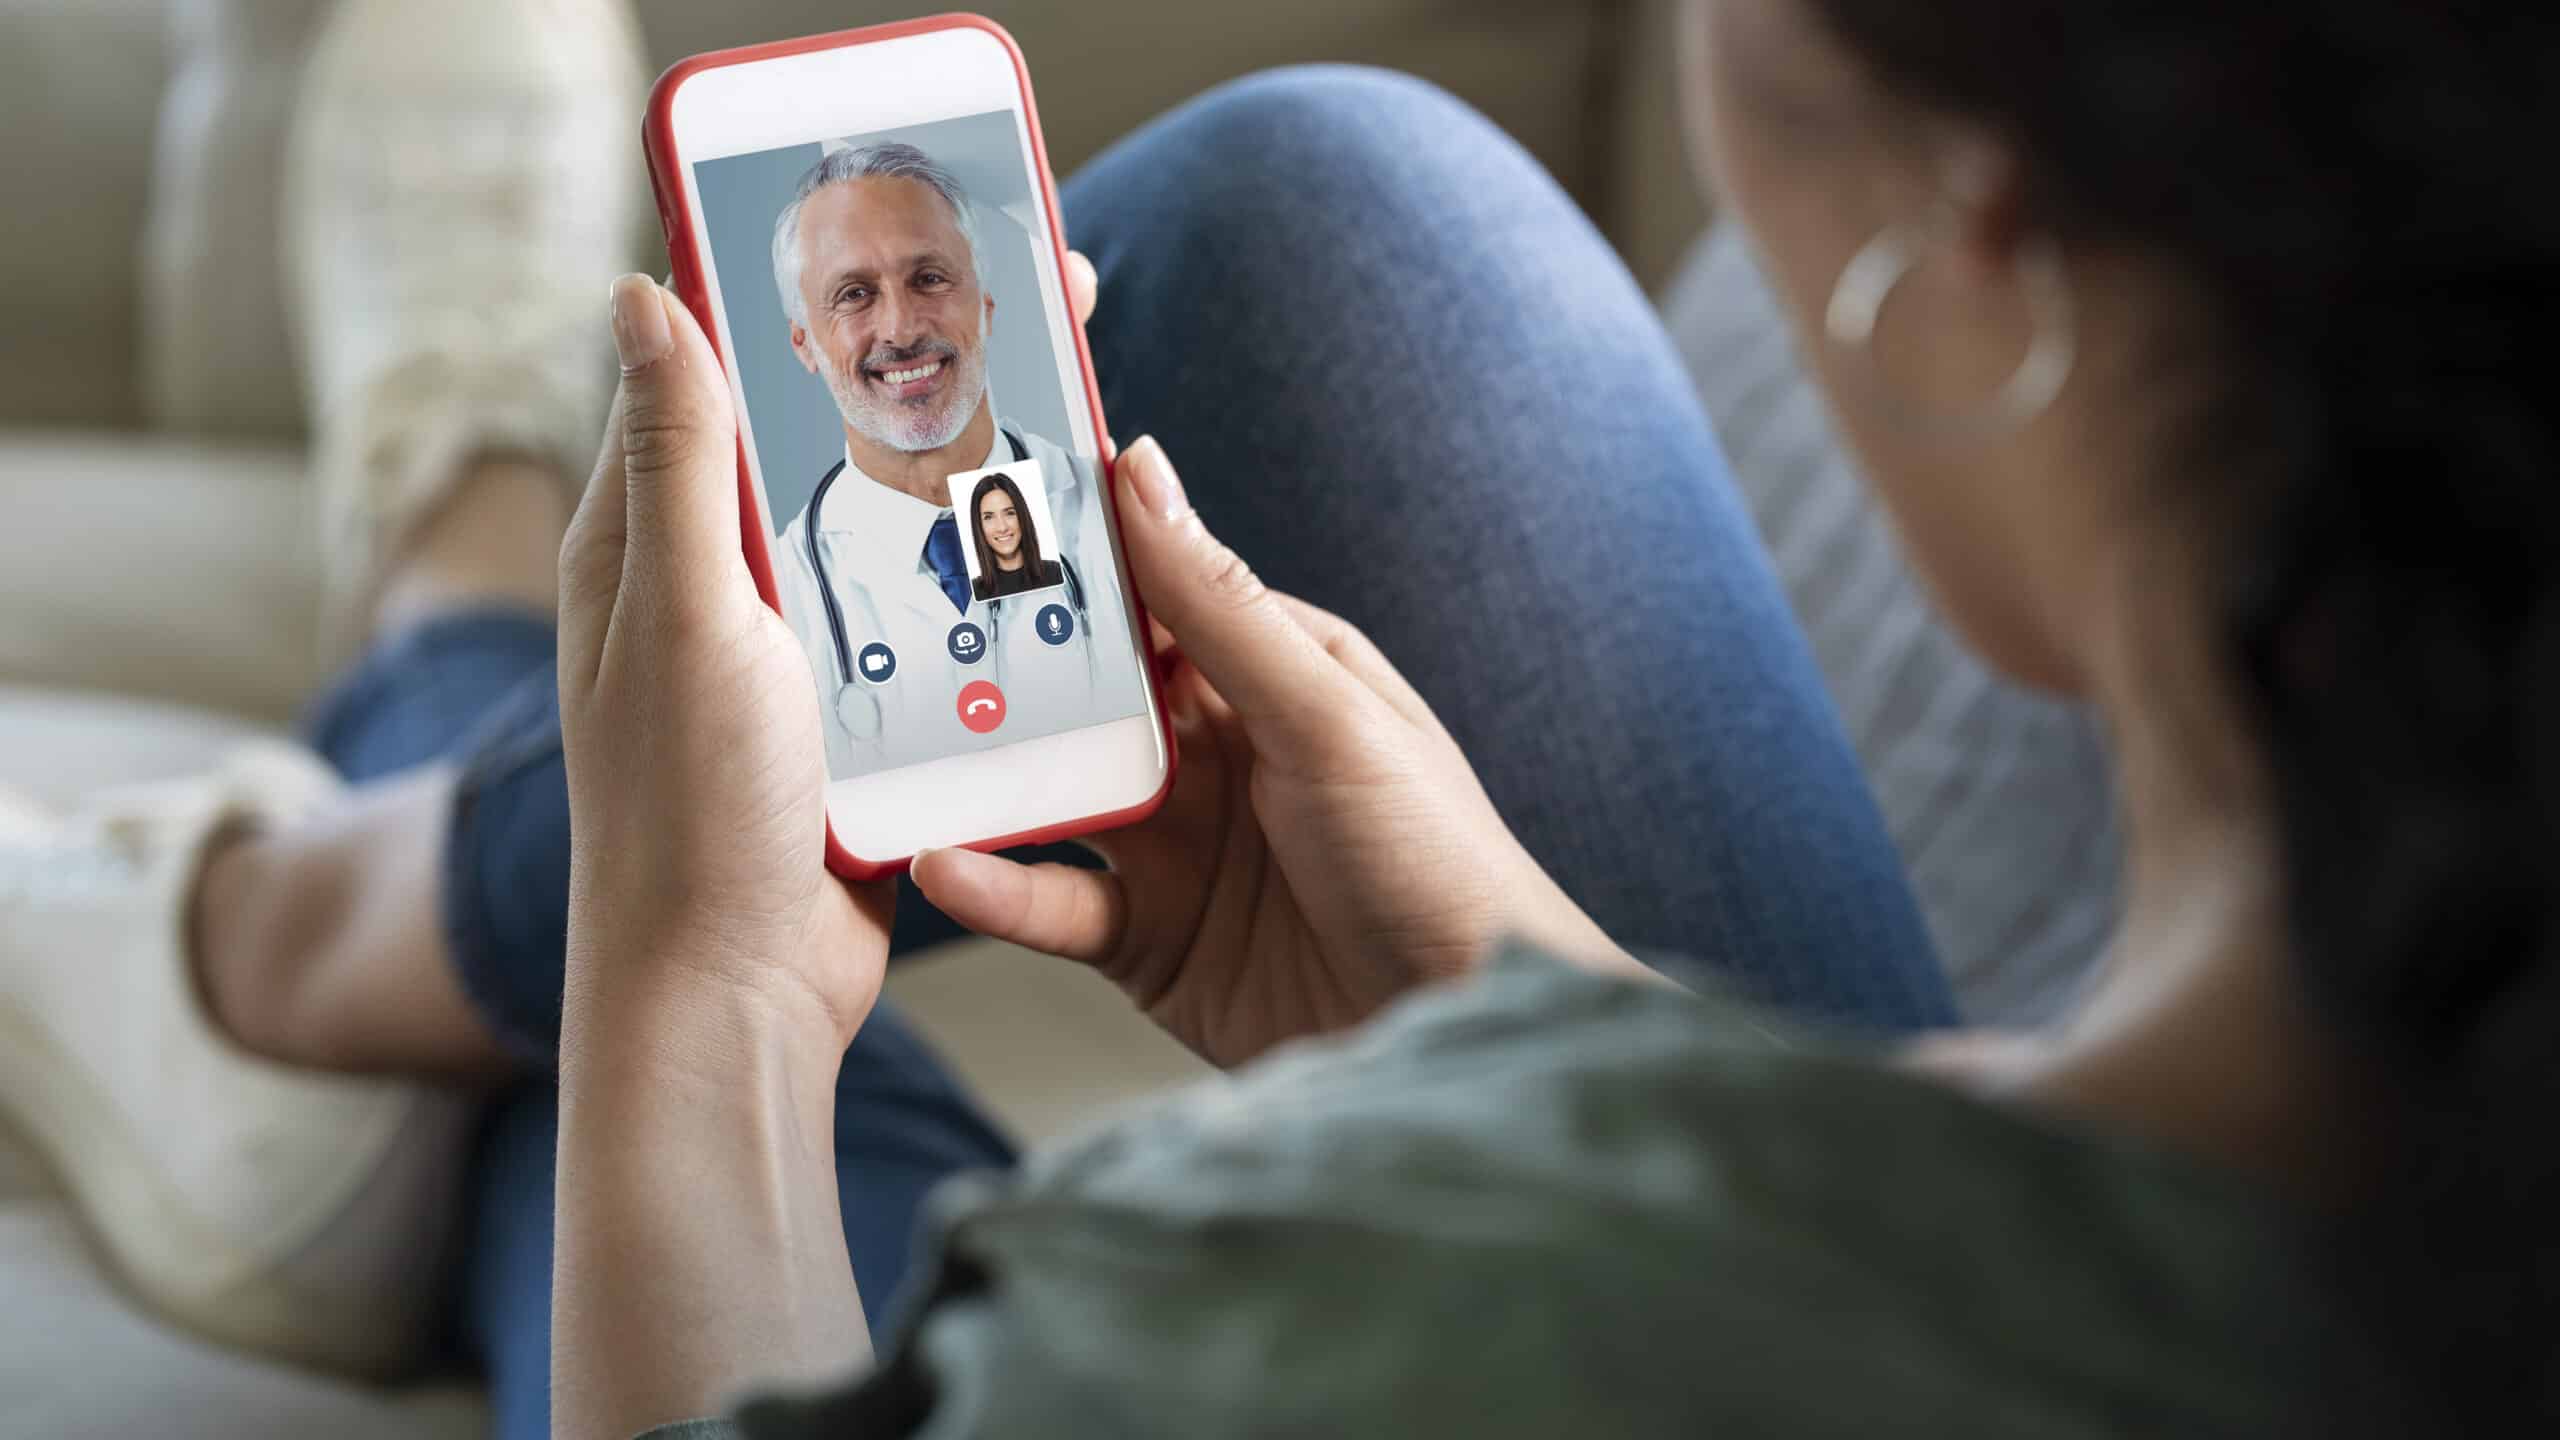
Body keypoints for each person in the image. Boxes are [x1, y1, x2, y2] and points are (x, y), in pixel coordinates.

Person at [5, 1, 2544, 1438]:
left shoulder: (1295, 1313)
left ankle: (408, 656)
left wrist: (697, 1010)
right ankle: (421, 684)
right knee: (1329, 227)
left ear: (1976, 257)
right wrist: (1552, 1013)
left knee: (660, 1010)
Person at [763, 143, 1137, 778]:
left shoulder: (1111, 517)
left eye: (929, 279)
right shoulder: (776, 601)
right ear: (804, 343)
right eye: (854, 293)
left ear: (985, 306)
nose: (902, 329)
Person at [965, 470, 1066, 603]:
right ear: (979, 526)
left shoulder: (1057, 573)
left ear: (1022, 516)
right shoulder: (974, 592)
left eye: (1009, 513)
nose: (1002, 527)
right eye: (989, 517)